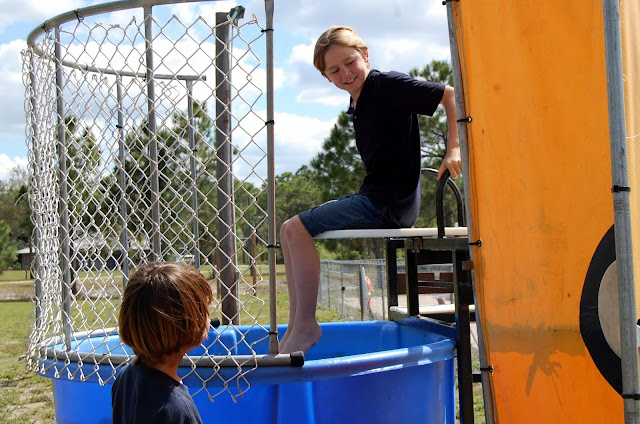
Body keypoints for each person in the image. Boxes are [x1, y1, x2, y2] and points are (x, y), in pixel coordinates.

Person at [279, 26, 462, 354]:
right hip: (376, 197)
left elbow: (449, 94)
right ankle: (296, 324)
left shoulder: (384, 84)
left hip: (388, 203)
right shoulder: (359, 102)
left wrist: (454, 147)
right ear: (326, 77)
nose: (345, 73)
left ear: (365, 55)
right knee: (288, 230)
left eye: (350, 62)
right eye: (334, 70)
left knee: (296, 228)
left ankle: (306, 325)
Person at [112, 262, 214, 424]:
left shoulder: (126, 377)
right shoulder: (177, 410)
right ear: (187, 324)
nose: (209, 317)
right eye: (204, 310)